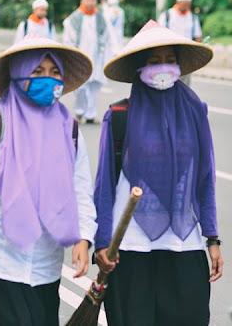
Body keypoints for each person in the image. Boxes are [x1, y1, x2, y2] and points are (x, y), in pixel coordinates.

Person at [0, 35, 96, 326]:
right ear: (18, 74)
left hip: (45, 266)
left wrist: (83, 237)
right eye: (37, 71)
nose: (47, 79)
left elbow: (81, 188)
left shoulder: (68, 129)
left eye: (54, 72)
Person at [95, 20, 222, 326]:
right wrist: (102, 242)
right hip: (131, 247)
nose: (163, 68)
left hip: (184, 243)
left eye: (169, 60)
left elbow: (205, 178)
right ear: (139, 69)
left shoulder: (195, 112)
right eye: (153, 62)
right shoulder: (120, 115)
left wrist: (212, 237)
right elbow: (104, 186)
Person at [63, 0, 116, 124]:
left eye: (93, 0)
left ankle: (91, 115)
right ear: (82, 2)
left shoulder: (101, 17)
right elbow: (69, 38)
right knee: (81, 86)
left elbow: (107, 36)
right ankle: (80, 113)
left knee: (94, 86)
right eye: (88, 0)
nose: (91, 2)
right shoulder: (74, 18)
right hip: (80, 57)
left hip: (97, 57)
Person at [158, 0, 202, 86]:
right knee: (168, 81)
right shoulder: (167, 16)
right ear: (178, 2)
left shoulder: (193, 18)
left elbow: (198, 37)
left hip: (186, 54)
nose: (186, 6)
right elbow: (159, 34)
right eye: (184, 4)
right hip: (169, 54)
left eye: (188, 4)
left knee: (184, 83)